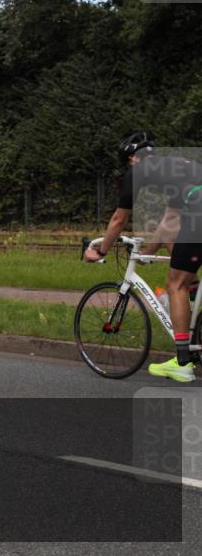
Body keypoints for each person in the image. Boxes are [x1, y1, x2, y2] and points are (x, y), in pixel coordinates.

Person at [84, 132, 202, 382]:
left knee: (175, 285)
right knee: (186, 269)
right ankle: (193, 284)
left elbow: (118, 220)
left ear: (131, 159)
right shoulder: (176, 166)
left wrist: (100, 250)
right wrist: (147, 253)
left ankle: (182, 363)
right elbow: (170, 222)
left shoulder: (136, 172)